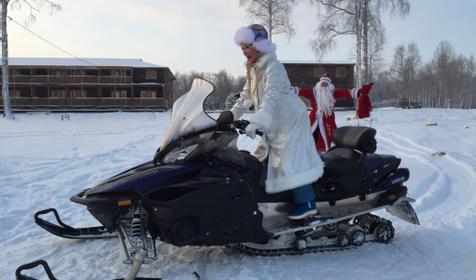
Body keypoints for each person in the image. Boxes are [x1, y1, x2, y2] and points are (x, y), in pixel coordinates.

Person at [230, 24, 324, 220]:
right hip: (274, 122)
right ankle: (271, 200)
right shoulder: (254, 70)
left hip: (291, 121)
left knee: (290, 161)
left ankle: (306, 203)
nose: (244, 52)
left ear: (260, 46)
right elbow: (245, 98)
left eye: (247, 46)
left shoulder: (274, 67)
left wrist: (258, 121)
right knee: (261, 157)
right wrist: (228, 117)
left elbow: (271, 98)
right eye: (242, 48)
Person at [298, 75, 374, 152]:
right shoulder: (313, 92)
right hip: (314, 118)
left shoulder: (333, 93)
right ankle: (309, 150)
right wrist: (290, 89)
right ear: (319, 84)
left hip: (328, 118)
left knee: (330, 135)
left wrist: (359, 92)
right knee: (310, 134)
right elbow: (301, 91)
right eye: (322, 84)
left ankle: (327, 151)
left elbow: (347, 93)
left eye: (326, 84)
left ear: (329, 86)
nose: (324, 86)